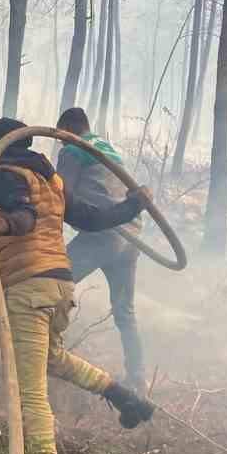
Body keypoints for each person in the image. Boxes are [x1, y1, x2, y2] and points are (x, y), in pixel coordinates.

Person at [0, 117, 156, 454]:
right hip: (59, 286)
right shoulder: (50, 180)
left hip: (28, 289)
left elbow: (23, 218)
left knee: (30, 390)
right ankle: (123, 397)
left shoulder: (4, 175)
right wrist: (133, 204)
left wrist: (2, 221)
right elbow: (93, 219)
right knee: (53, 359)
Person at [54, 107, 144, 387]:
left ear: (68, 128)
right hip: (130, 236)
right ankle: (137, 380)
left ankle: (46, 354)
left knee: (53, 283)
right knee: (125, 311)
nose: (61, 142)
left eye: (62, 136)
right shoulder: (106, 147)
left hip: (103, 234)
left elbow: (60, 194)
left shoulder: (72, 149)